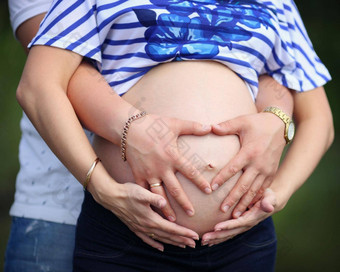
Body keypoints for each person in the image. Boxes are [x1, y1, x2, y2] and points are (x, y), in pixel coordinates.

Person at [10, 0, 335, 271]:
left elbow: (318, 117)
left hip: (243, 239)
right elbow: (38, 87)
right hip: (130, 235)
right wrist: (102, 188)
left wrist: (277, 194)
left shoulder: (274, 3)